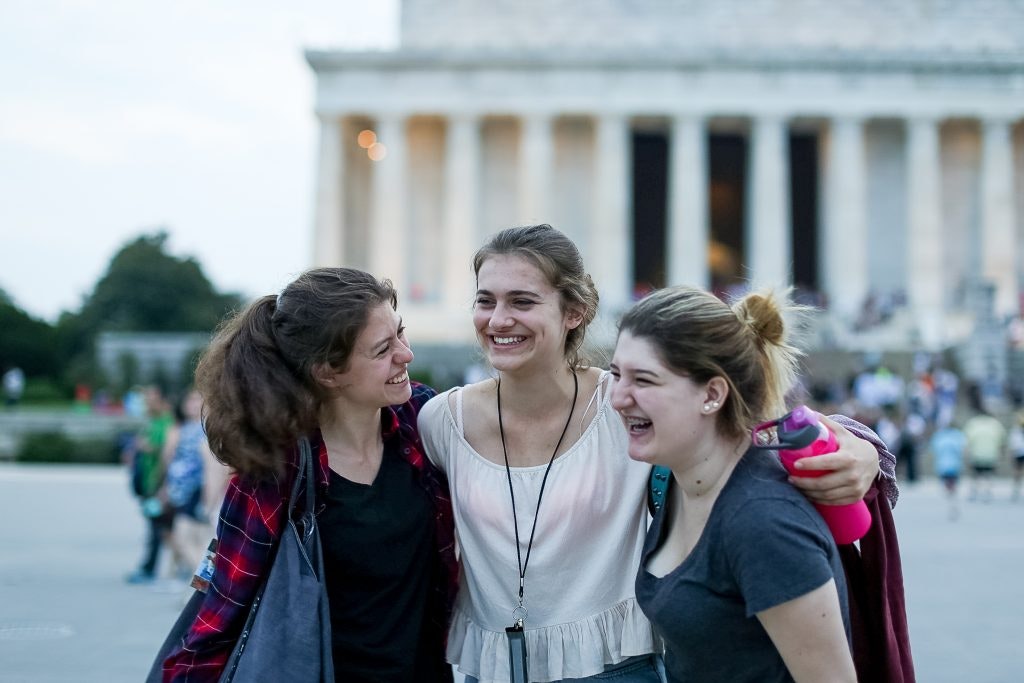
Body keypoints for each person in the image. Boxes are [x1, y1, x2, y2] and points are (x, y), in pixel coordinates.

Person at [417, 224, 893, 683]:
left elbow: (747, 430)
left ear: (574, 312)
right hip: (490, 669)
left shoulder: (623, 410)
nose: (499, 319)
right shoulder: (440, 420)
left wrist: (864, 450)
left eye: (522, 301)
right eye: (485, 300)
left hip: (615, 668)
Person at [162, 268, 457, 682]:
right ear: (328, 372)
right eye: (382, 350)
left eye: (401, 333)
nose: (406, 354)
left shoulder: (422, 420)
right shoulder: (279, 470)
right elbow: (222, 611)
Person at [610, 285, 857, 682]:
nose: (618, 397)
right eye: (615, 374)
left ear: (712, 394)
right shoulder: (681, 482)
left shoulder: (764, 523)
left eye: (644, 380)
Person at [126, 386, 175, 584]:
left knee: (159, 527)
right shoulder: (152, 422)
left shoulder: (166, 423)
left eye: (151, 399)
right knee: (161, 527)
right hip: (148, 483)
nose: (147, 403)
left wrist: (146, 447)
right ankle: (174, 569)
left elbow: (167, 451)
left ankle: (151, 568)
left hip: (158, 483)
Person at [962, 389, 1006, 503]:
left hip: (977, 453)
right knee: (988, 474)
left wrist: (966, 454)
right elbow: (1002, 440)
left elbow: (967, 440)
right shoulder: (996, 424)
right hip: (991, 454)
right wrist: (1002, 453)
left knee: (976, 474)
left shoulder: (973, 423)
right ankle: (987, 493)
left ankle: (974, 492)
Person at [930, 422, 967, 520]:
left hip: (943, 465)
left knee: (947, 485)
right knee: (953, 485)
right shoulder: (958, 436)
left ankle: (952, 500)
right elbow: (962, 450)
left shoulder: (939, 436)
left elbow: (935, 450)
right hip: (955, 465)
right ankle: (953, 500)